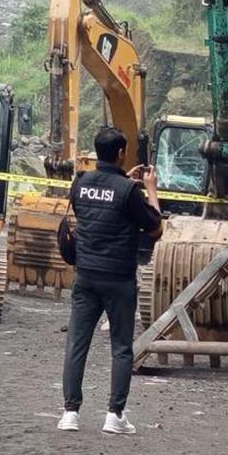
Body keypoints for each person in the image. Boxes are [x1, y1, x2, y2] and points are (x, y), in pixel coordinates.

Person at [58, 128, 163, 435]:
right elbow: (155, 228)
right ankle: (114, 416)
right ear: (120, 153)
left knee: (77, 344)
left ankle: (70, 413)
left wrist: (123, 181)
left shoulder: (81, 183)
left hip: (86, 275)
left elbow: (98, 209)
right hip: (119, 279)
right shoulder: (128, 191)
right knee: (121, 347)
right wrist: (150, 189)